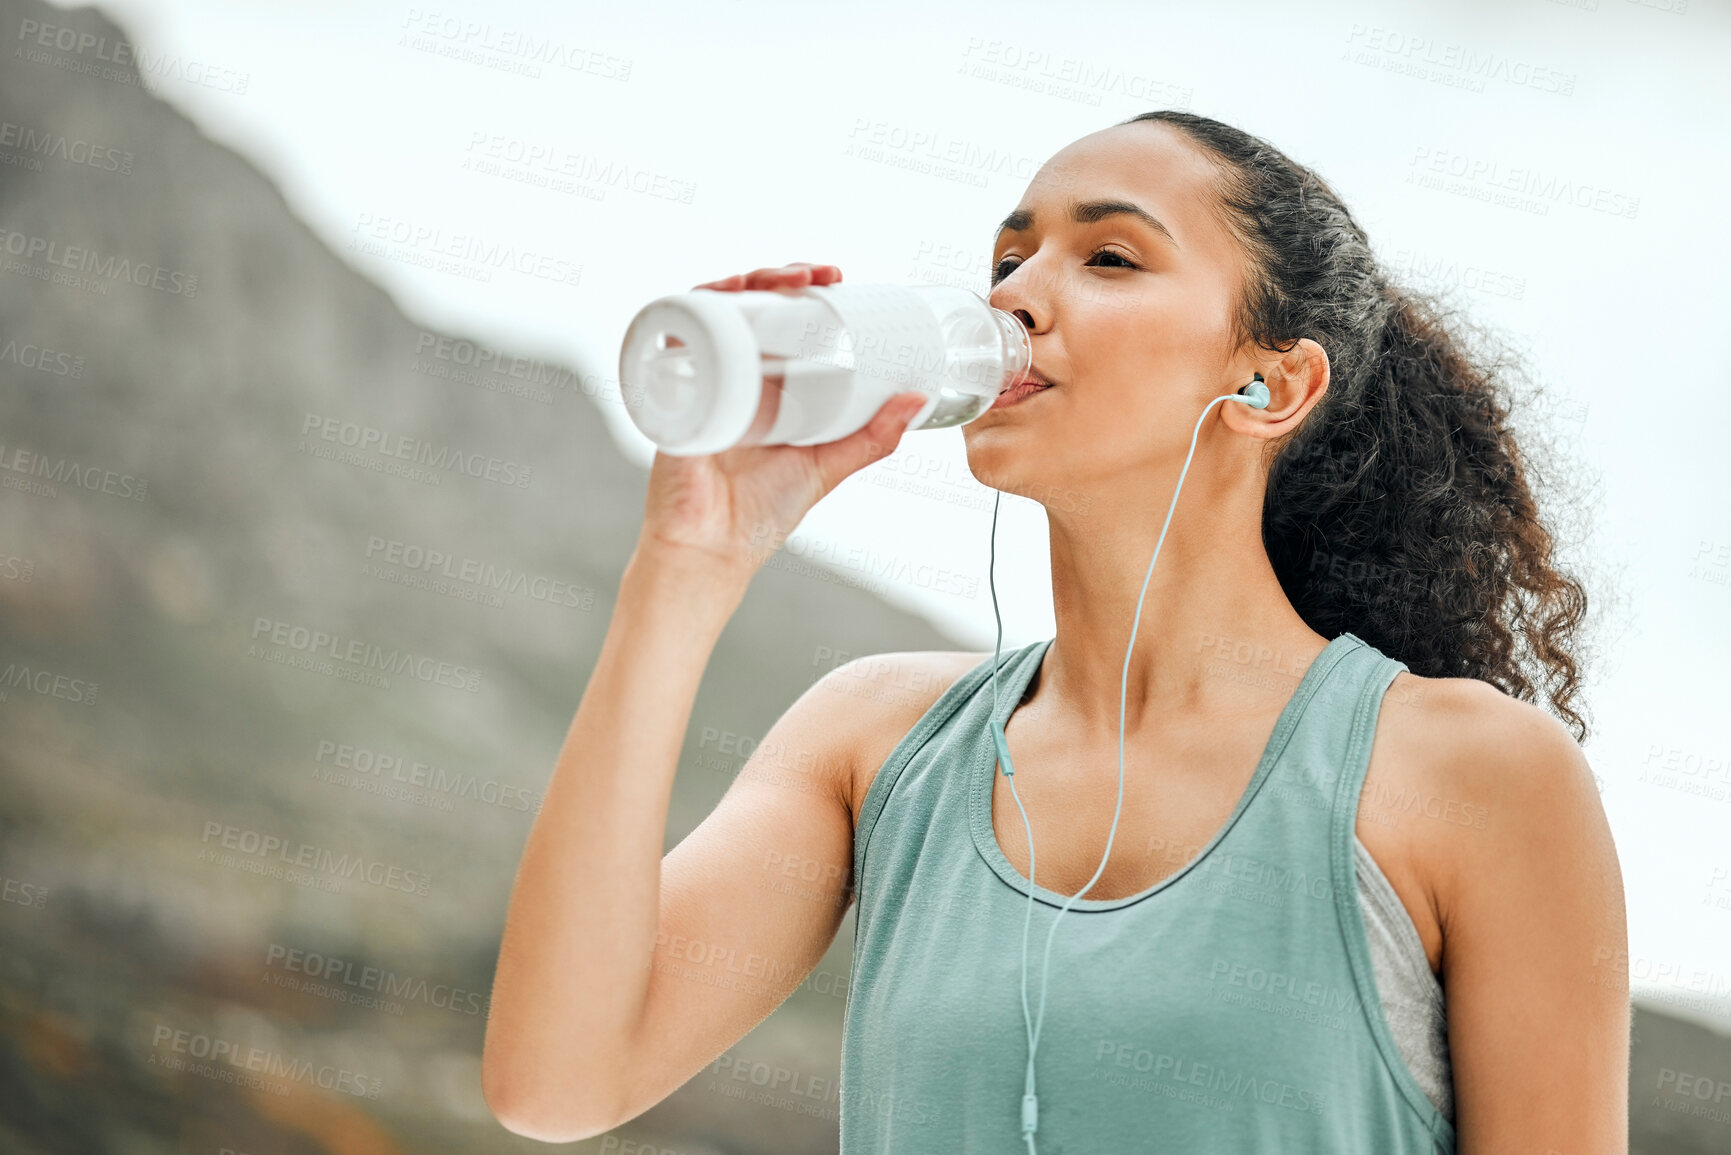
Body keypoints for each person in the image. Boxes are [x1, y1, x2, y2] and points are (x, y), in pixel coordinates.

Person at [480, 111, 1628, 1153]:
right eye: (1007, 260)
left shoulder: (1474, 775)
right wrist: (689, 566)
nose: (1016, 297)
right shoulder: (875, 742)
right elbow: (558, 1081)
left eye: (1110, 257)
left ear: (1271, 386)